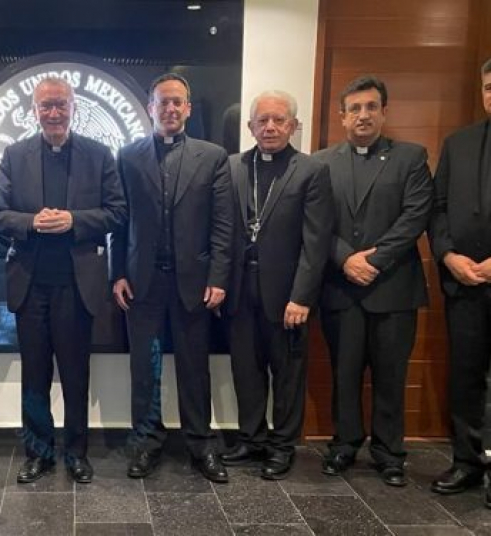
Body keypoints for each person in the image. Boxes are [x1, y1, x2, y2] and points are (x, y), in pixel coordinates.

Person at [0, 76, 126, 484]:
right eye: (46, 106)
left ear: (73, 108)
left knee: (75, 374)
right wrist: (32, 222)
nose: (53, 113)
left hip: (77, 285)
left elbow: (117, 212)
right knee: (33, 376)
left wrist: (74, 220)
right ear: (34, 110)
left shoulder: (99, 154)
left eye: (60, 105)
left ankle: (77, 453)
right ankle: (38, 453)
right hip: (30, 284)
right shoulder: (14, 154)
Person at [110, 73, 233, 481]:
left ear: (188, 108)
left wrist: (218, 276)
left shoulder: (213, 157)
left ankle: (201, 444)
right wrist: (117, 273)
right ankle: (146, 443)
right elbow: (120, 221)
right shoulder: (128, 156)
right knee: (144, 371)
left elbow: (223, 224)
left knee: (194, 367)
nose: (170, 109)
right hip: (142, 282)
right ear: (150, 108)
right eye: (163, 102)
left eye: (177, 101)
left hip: (194, 282)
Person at [313, 75, 432, 487]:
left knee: (390, 376)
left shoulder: (411, 157)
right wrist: (345, 259)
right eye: (355, 108)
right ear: (342, 116)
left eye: (371, 107)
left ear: (384, 112)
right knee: (344, 374)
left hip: (393, 287)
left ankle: (389, 453)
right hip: (342, 287)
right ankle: (344, 445)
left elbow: (415, 216)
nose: (363, 115)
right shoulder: (322, 162)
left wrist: (374, 260)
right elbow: (316, 222)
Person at [222, 90, 333, 480]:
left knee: (287, 375)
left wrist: (302, 296)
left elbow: (316, 242)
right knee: (246, 371)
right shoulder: (233, 167)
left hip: (287, 295)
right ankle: (251, 439)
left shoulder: (311, 170)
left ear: (293, 126)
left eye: (279, 120)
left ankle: (282, 446)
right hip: (240, 291)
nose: (269, 127)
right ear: (250, 126)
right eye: (262, 120)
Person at [428, 58, 491, 504]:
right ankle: (467, 461)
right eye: (489, 87)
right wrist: (448, 255)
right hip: (464, 281)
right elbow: (437, 208)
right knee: (465, 376)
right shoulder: (459, 143)